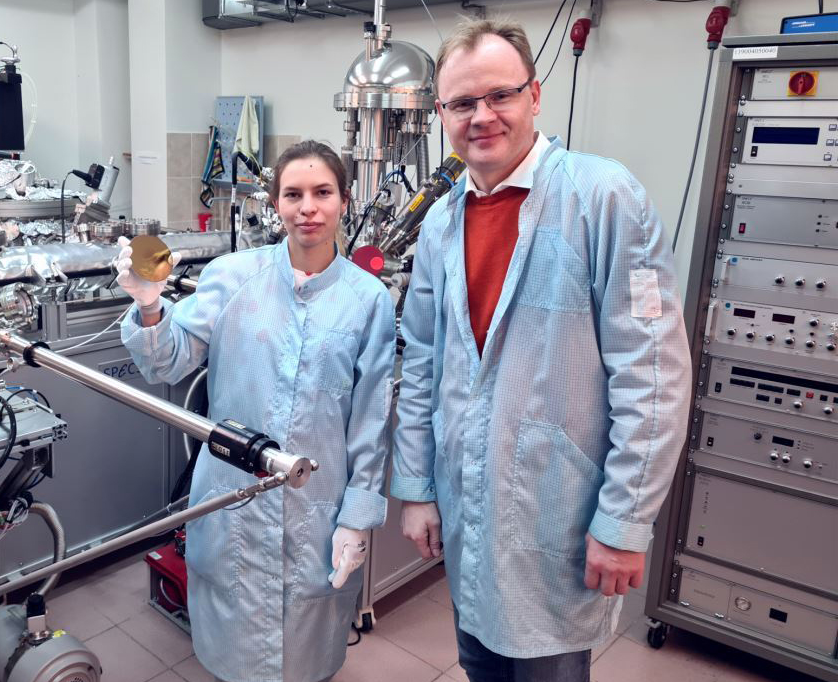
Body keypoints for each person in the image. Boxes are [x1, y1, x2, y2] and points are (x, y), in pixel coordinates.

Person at [391, 19, 692, 682]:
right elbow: (423, 365)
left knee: (547, 666)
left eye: (499, 95)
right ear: (441, 113)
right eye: (462, 103)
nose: (482, 116)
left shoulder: (605, 198)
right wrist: (416, 489)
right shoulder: (440, 223)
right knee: (480, 662)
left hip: (562, 512)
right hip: (468, 506)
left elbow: (652, 375)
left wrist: (623, 520)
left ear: (534, 95)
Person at [116, 140, 396, 682]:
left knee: (307, 651)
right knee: (234, 650)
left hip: (317, 506)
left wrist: (358, 518)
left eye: (322, 193)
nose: (308, 208)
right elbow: (168, 363)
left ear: (344, 201)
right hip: (232, 500)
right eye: (293, 194)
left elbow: (370, 421)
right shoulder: (231, 276)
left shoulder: (368, 299)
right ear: (275, 204)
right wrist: (150, 306)